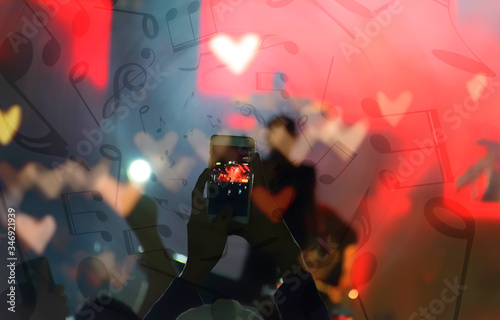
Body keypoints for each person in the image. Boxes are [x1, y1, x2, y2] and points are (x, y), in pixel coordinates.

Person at [144, 150, 330, 320]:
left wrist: (194, 271)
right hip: (257, 284)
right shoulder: (308, 219)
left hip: (250, 282)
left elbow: (274, 210)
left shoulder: (282, 210)